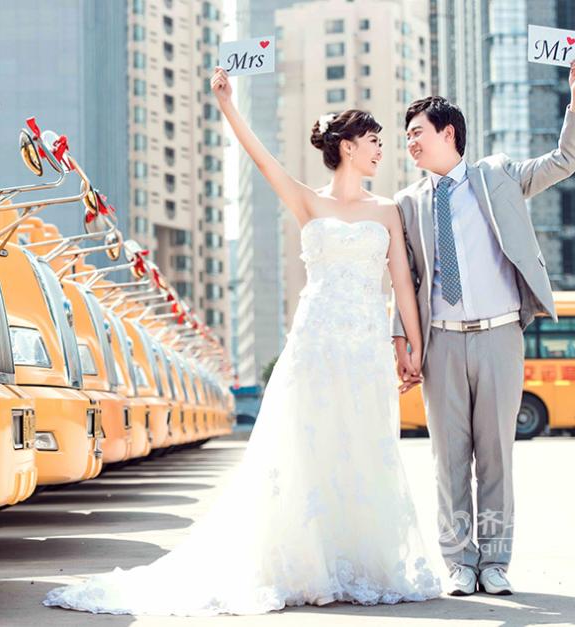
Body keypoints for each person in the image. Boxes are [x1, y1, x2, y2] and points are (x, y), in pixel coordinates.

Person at [42, 66, 441, 616]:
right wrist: (229, 105)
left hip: (365, 347)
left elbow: (401, 282)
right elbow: (261, 159)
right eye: (374, 143)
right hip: (314, 345)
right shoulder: (308, 201)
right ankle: (306, 564)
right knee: (305, 446)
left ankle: (360, 562)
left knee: (364, 446)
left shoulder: (387, 210)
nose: (381, 151)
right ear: (347, 147)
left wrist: (411, 346)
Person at [392, 58, 575, 596]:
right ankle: (459, 561)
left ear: (447, 132)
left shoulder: (497, 175)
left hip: (501, 335)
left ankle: (496, 561)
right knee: (448, 460)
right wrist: (404, 343)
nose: (409, 142)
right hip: (441, 345)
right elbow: (405, 278)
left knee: (497, 456)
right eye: (407, 135)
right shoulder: (408, 203)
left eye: (416, 132)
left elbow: (566, 159)